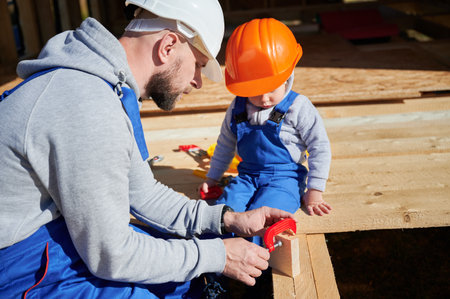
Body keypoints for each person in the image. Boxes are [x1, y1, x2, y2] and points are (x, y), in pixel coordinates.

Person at [0, 1, 295, 298]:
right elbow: (112, 255)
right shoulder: (86, 106)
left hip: (41, 241)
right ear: (168, 46)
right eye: (199, 66)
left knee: (180, 276)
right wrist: (218, 255)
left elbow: (142, 193)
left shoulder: (104, 86)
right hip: (15, 268)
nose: (198, 82)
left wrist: (225, 220)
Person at [199, 18, 332, 245]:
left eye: (270, 88)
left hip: (285, 179)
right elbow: (224, 144)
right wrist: (213, 177)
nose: (263, 98)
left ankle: (259, 256)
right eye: (254, 90)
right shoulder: (238, 107)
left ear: (287, 74)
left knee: (265, 212)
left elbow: (320, 147)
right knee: (226, 209)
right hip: (247, 177)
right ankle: (220, 256)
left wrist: (315, 190)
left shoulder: (298, 107)